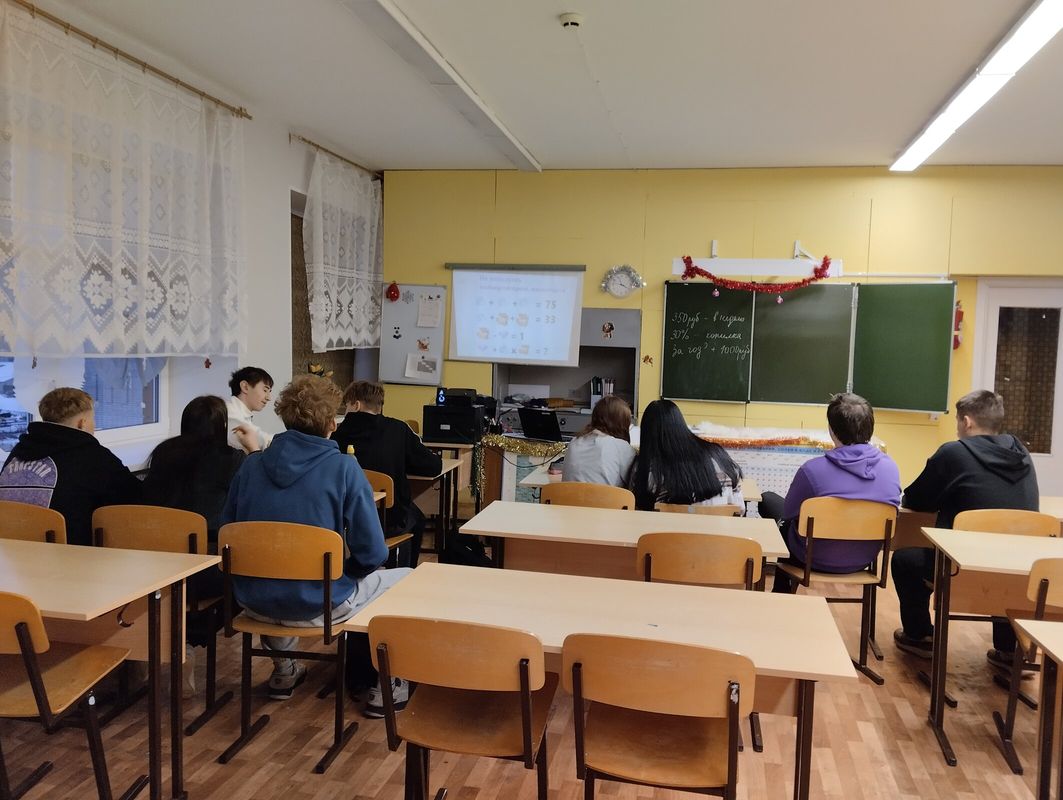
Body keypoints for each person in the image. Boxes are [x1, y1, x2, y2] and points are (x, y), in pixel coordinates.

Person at [221, 375, 410, 715]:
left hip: (253, 601)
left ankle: (284, 670)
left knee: (278, 570)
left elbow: (229, 536)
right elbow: (373, 553)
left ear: (284, 417)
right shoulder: (344, 468)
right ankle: (389, 684)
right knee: (409, 578)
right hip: (319, 606)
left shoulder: (251, 466)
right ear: (331, 424)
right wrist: (347, 574)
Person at [892, 390, 1039, 668]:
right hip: (1019, 574)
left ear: (967, 422)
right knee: (1001, 557)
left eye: (958, 421)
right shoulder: (1022, 453)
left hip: (961, 572)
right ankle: (1010, 652)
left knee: (903, 560)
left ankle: (920, 636)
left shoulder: (954, 453)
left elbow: (916, 499)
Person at [143, 395, 254, 695]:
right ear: (222, 426)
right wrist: (254, 452)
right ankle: (187, 641)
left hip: (156, 567)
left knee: (182, 590)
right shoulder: (232, 460)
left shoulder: (163, 453)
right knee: (246, 578)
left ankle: (171, 643)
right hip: (207, 569)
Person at [758, 393, 900, 593]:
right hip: (863, 559)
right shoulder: (891, 468)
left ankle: (781, 593)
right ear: (871, 427)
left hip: (811, 558)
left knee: (772, 505)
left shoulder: (812, 470)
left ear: (832, 430)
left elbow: (789, 511)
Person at [0, 387, 141, 546]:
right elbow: (135, 498)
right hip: (68, 554)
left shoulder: (19, 451)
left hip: (11, 551)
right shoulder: (94, 456)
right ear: (82, 423)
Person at [331, 380, 441, 568]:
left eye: (347, 405)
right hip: (389, 521)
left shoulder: (336, 434)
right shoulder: (397, 429)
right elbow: (432, 467)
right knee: (416, 518)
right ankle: (404, 570)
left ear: (356, 405)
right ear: (379, 406)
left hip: (346, 519)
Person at [627, 398, 743, 511]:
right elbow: (740, 509)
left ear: (647, 434)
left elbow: (638, 511)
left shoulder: (649, 469)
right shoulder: (717, 454)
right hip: (717, 524)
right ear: (680, 424)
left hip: (669, 524)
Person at [561, 395, 636, 487]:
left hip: (567, 496)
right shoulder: (622, 447)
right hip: (605, 496)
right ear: (622, 424)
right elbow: (634, 483)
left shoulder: (574, 442)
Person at [226, 366, 274, 452]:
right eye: (265, 390)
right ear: (245, 387)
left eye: (269, 392)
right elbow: (261, 439)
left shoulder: (242, 414)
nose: (268, 398)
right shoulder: (228, 412)